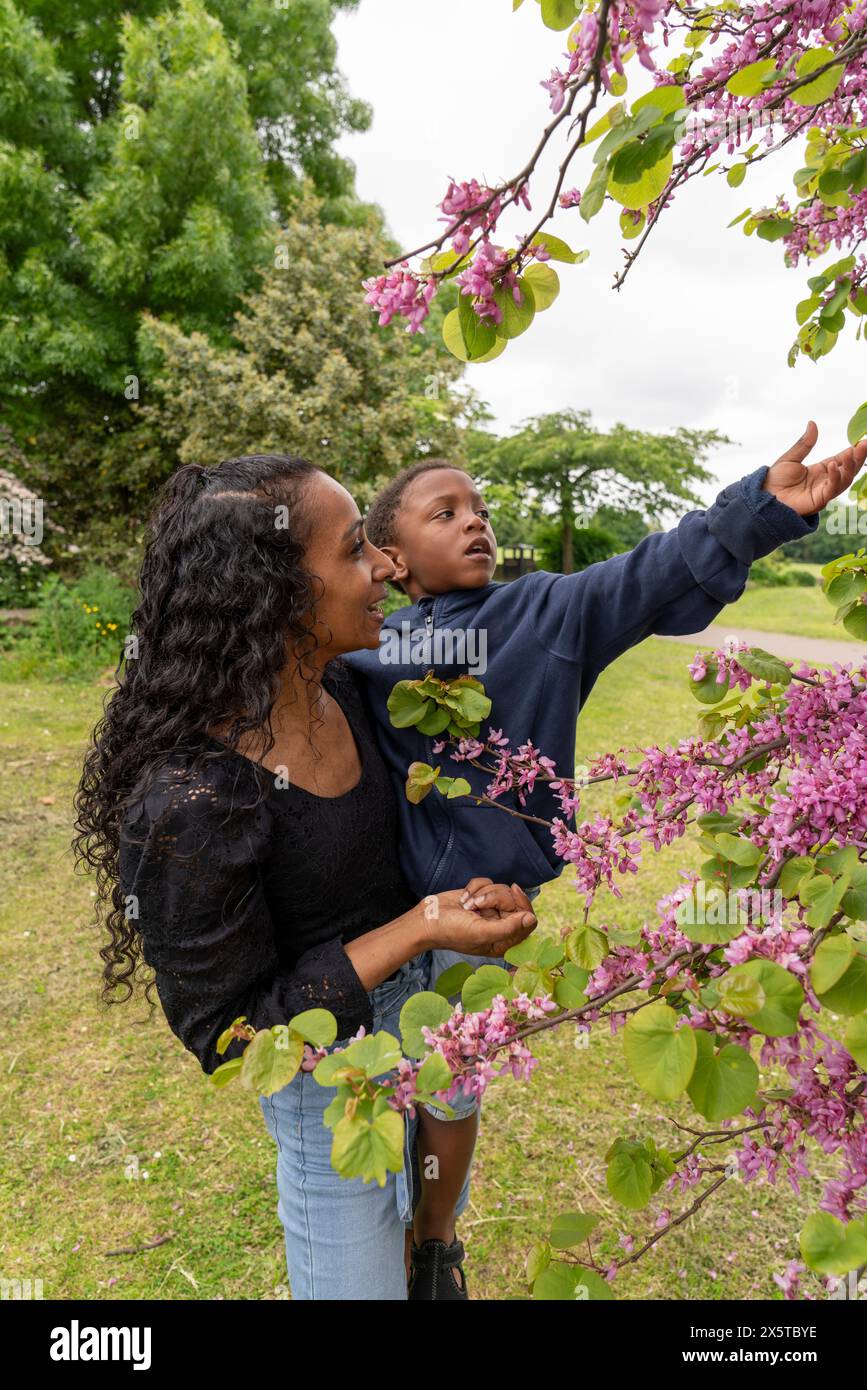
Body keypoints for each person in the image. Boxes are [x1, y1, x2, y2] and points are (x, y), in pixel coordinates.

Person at [342, 416, 867, 1273]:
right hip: (368, 925)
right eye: (443, 513)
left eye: (478, 508)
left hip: (479, 915)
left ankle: (433, 1248)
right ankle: (375, 1247)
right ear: (388, 558)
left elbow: (645, 573)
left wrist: (758, 512)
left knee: (451, 1081)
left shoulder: (541, 610)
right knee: (371, 1096)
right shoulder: (359, 644)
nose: (475, 521)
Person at [72, 453, 538, 1301]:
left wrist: (460, 897)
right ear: (280, 597)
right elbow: (230, 1036)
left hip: (424, 1007)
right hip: (324, 1086)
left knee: (433, 1200)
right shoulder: (192, 798)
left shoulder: (353, 693)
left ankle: (433, 1250)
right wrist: (420, 926)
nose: (387, 569)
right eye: (358, 550)